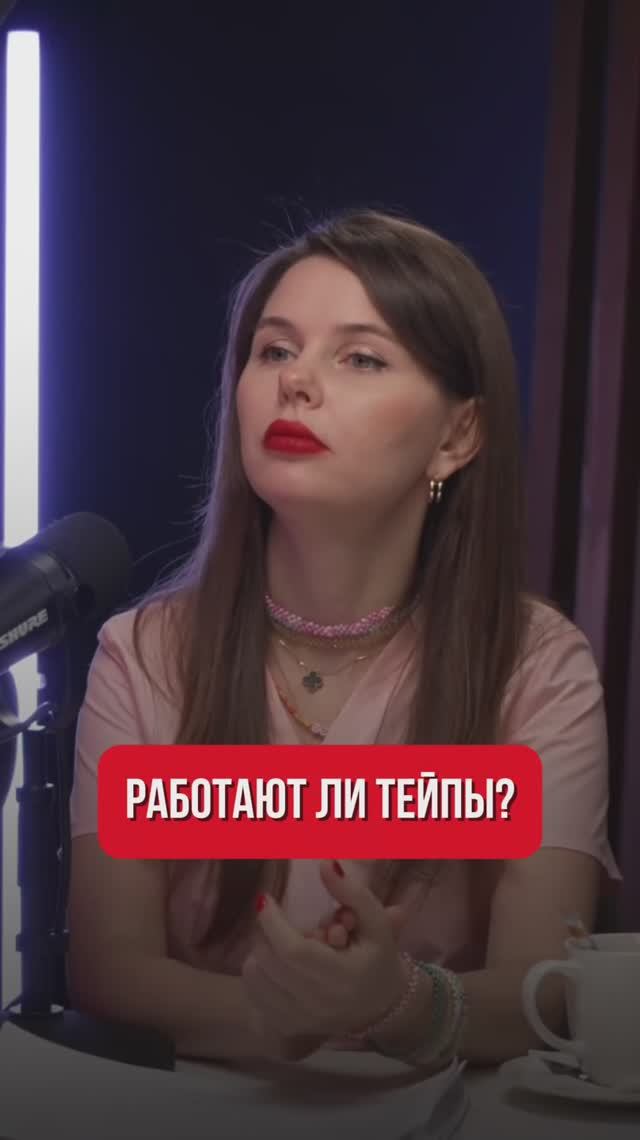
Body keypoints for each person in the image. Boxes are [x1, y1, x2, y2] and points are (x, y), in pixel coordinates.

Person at [67, 207, 619, 1072]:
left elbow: (544, 989)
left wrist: (400, 1003)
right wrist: (282, 1019)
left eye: (359, 358)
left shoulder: (535, 667)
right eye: (274, 350)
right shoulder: (143, 655)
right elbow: (109, 972)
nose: (296, 382)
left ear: (457, 435)